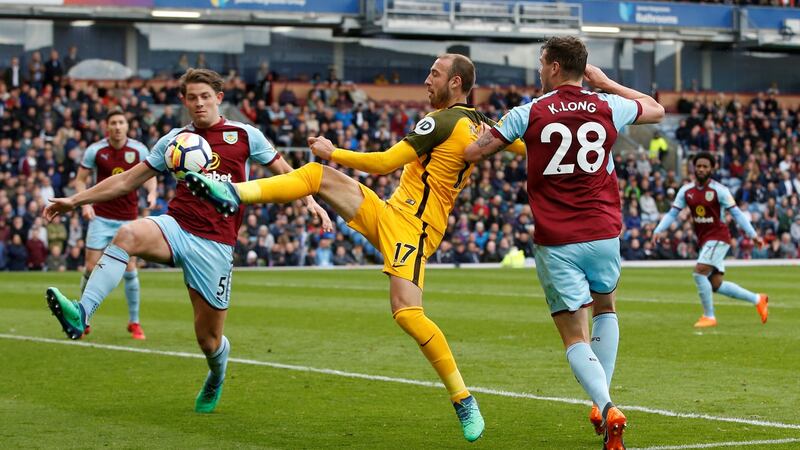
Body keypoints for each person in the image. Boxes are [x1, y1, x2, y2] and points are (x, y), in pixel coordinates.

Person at [184, 53, 525, 442]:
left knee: (407, 313)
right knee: (316, 176)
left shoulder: (444, 120)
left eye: (435, 74)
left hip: (413, 229)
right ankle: (232, 191)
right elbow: (525, 146)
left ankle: (463, 399)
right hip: (391, 214)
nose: (427, 79)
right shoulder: (482, 124)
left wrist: (335, 152)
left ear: (457, 84)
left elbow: (383, 163)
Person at [43, 68, 330, 414]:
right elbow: (127, 182)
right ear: (183, 102)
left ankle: (216, 375)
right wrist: (75, 201)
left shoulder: (245, 135)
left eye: (205, 96)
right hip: (175, 227)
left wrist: (311, 201)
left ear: (219, 99)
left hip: (216, 245)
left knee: (208, 340)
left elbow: (289, 174)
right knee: (127, 233)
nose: (199, 103)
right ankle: (82, 314)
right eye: (192, 98)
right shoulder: (174, 140)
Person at [463, 36, 665, 450]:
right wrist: (606, 82)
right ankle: (600, 404)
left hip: (557, 238)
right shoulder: (607, 105)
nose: (539, 69)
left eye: (541, 62)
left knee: (574, 335)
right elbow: (657, 109)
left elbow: (473, 153)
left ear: (554, 67)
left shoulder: (529, 112)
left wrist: (475, 131)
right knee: (606, 307)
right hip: (604, 232)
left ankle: (607, 405)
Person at [653, 151, 768, 328]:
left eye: (705, 166)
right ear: (693, 168)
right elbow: (673, 213)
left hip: (719, 237)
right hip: (705, 241)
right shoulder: (686, 191)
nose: (701, 169)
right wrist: (659, 230)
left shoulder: (720, 190)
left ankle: (709, 316)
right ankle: (758, 299)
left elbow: (737, 213)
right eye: (698, 166)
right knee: (715, 284)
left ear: (712, 169)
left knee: (699, 272)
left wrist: (753, 235)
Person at [74, 108, 157, 339]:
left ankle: (134, 322)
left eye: (122, 122)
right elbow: (80, 180)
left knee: (130, 269)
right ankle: (83, 318)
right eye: (114, 123)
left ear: (127, 126)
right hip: (100, 217)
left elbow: (150, 177)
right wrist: (85, 204)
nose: (118, 126)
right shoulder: (96, 150)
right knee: (91, 268)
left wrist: (152, 193)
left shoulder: (139, 149)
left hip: (128, 220)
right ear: (107, 127)